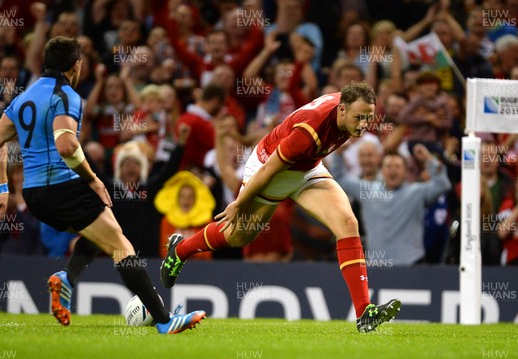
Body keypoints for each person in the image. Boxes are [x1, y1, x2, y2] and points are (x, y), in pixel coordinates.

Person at [0, 37, 205, 334]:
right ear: (76, 65)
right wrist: (92, 179)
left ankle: (67, 278)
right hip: (62, 186)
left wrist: (2, 190)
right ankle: (164, 320)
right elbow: (66, 146)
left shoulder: (24, 98)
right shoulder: (66, 95)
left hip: (34, 195)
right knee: (121, 246)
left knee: (105, 229)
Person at [161, 82, 401, 333]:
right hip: (271, 168)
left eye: (368, 118)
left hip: (307, 166)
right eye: (359, 117)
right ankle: (181, 250)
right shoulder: (309, 131)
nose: (364, 124)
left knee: (348, 223)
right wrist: (238, 203)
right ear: (342, 110)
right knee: (239, 236)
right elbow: (269, 169)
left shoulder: (349, 104)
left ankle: (364, 313)